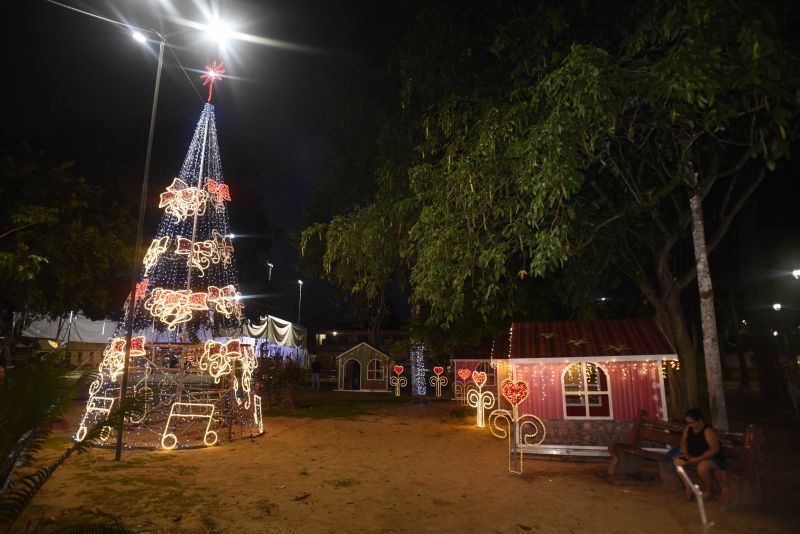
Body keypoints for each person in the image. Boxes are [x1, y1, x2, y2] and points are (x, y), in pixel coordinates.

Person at [671, 408, 727, 501]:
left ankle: (708, 491)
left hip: (713, 458)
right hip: (693, 456)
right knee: (677, 462)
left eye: (693, 423)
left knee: (702, 467)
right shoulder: (688, 428)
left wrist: (698, 459)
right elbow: (683, 442)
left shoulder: (708, 431)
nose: (691, 425)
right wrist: (685, 453)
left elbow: (714, 449)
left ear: (700, 420)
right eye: (689, 423)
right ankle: (689, 489)